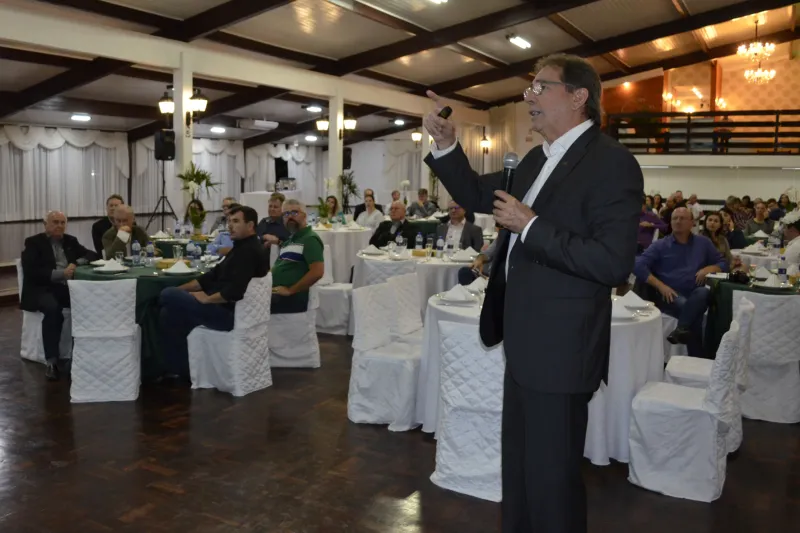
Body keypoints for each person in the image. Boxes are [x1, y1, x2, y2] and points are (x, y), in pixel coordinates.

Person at [424, 53, 642, 533]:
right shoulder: (537, 159)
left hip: (563, 346)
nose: (530, 97)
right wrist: (446, 147)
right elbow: (481, 196)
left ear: (579, 96)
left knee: (552, 479)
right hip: (523, 341)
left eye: (541, 87)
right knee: (520, 471)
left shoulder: (612, 164)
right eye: (530, 88)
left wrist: (531, 225)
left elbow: (612, 263)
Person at [158, 205, 268, 380]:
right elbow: (208, 278)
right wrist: (181, 291)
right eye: (229, 221)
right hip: (221, 308)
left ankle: (171, 366)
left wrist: (206, 299)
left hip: (228, 314)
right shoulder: (239, 248)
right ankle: (180, 369)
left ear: (250, 225)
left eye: (236, 221)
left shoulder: (248, 252)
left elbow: (234, 292)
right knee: (168, 310)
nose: (230, 226)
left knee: (166, 295)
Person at [634, 208, 726, 358]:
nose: (678, 221)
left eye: (682, 218)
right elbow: (637, 265)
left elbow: (723, 263)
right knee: (691, 311)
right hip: (670, 295)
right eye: (675, 218)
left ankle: (681, 329)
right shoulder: (660, 245)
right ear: (670, 222)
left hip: (696, 294)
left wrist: (710, 268)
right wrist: (660, 286)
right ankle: (699, 358)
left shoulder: (703, 243)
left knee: (703, 293)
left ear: (692, 223)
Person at [20, 211, 97, 380]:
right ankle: (52, 361)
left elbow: (91, 255)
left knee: (89, 303)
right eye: (55, 222)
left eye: (63, 222)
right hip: (41, 288)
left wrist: (76, 264)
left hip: (64, 288)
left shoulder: (70, 241)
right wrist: (61, 274)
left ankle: (82, 355)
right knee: (53, 309)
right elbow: (32, 271)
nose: (59, 226)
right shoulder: (34, 243)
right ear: (45, 223)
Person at [270, 200, 324, 314]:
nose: (289, 217)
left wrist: (291, 290)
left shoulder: (309, 239)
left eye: (294, 213)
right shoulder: (288, 241)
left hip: (292, 299)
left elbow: (317, 272)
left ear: (304, 215)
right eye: (286, 214)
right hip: (276, 293)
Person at [256, 193, 290, 266]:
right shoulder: (264, 222)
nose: (272, 209)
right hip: (261, 261)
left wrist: (277, 242)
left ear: (282, 208)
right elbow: (254, 239)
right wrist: (264, 237)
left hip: (282, 262)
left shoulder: (287, 224)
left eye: (275, 207)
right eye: (270, 206)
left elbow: (292, 245)